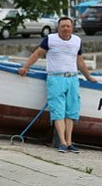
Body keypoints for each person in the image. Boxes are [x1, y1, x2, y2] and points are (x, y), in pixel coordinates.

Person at [18, 16, 97, 153]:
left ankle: (70, 142)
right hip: (56, 78)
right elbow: (37, 54)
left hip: (72, 79)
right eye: (63, 26)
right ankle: (63, 142)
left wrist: (88, 77)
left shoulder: (77, 41)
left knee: (71, 111)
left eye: (68, 26)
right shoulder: (50, 39)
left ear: (72, 27)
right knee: (58, 111)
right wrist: (26, 67)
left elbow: (79, 61)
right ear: (58, 28)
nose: (65, 28)